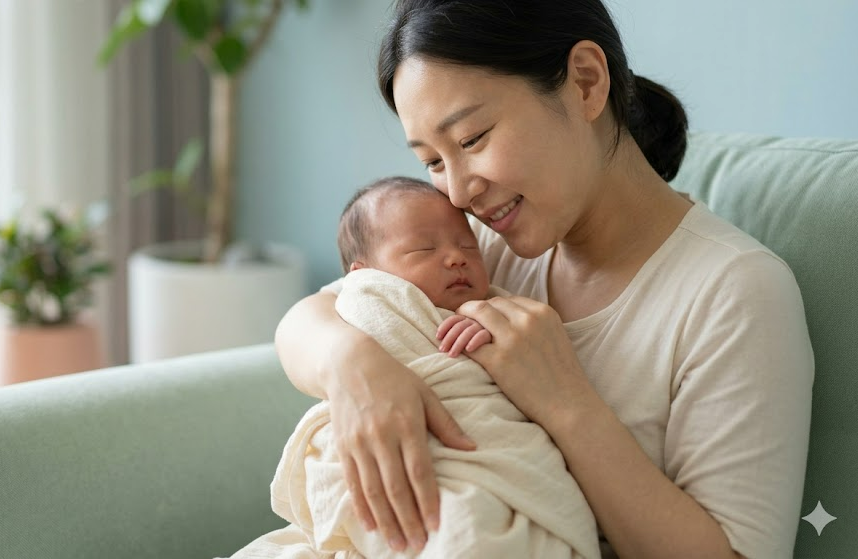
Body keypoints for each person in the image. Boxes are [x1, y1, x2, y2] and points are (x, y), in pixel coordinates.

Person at [274, 1, 814, 558]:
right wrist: (353, 366)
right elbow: (312, 317)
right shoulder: (478, 248)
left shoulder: (735, 293)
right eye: (433, 161)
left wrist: (565, 403)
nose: (458, 194)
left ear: (585, 82)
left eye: (472, 138)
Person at [229, 176, 601, 558]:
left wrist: (486, 329)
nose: (456, 257)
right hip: (389, 453)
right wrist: (353, 354)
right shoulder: (369, 301)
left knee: (475, 529)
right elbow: (307, 322)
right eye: (424, 249)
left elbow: (519, 356)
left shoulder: (494, 303)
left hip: (488, 457)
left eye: (467, 246)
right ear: (364, 275)